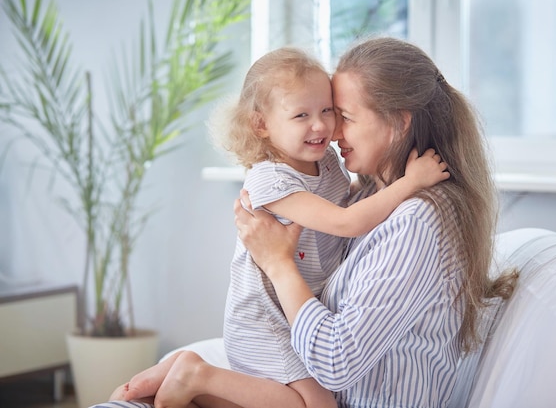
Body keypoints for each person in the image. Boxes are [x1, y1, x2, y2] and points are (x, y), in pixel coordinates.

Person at [94, 36, 517, 408]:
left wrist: (278, 262)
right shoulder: (363, 191)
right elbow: (345, 222)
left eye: (340, 115)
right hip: (268, 320)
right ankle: (179, 378)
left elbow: (334, 361)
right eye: (307, 116)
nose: (329, 132)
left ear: (398, 122)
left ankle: (187, 376)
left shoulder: (417, 220)